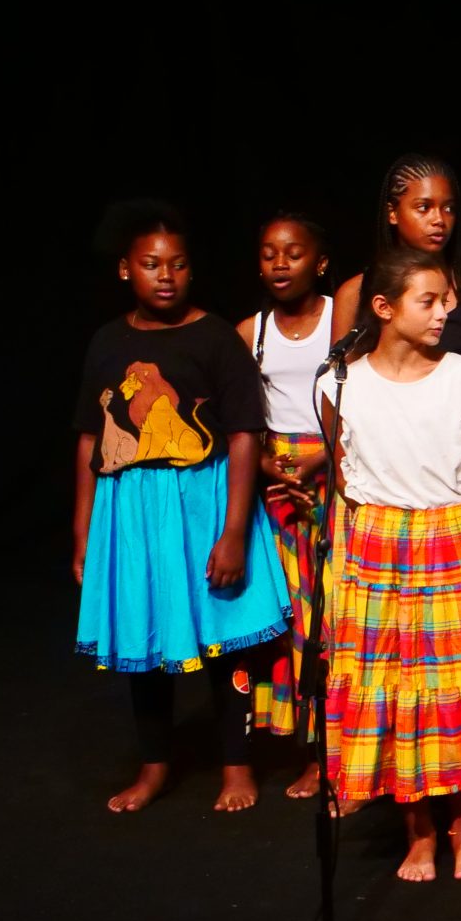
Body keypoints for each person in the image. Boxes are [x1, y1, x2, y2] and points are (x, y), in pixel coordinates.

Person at [322, 244, 461, 881]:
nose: (445, 312)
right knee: (392, 686)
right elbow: (342, 465)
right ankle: (417, 830)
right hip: (379, 547)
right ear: (384, 308)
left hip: (450, 540)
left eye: (447, 300)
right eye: (429, 301)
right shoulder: (342, 383)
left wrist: (451, 522)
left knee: (456, 687)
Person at [72, 201, 291, 814]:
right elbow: (89, 438)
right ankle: (154, 766)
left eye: (178, 264)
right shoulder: (107, 341)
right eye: (151, 264)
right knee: (142, 640)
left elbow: (244, 433)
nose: (165, 276)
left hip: (202, 503)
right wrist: (83, 532)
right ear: (126, 270)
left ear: (193, 270)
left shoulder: (215, 337)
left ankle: (237, 764)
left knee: (225, 638)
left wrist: (234, 531)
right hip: (131, 512)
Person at [237, 208, 332, 799]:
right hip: (277, 478)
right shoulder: (251, 332)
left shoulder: (341, 320)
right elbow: (240, 417)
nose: (280, 264)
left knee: (332, 610)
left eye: (293, 254)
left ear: (319, 263)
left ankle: (336, 747)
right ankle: (307, 745)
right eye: (270, 254)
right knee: (292, 614)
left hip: (335, 466)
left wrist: (321, 460)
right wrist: (273, 467)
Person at [332, 155, 461, 423]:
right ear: (393, 213)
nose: (439, 219)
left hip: (454, 442)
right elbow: (340, 392)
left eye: (448, 208)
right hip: (377, 442)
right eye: (424, 207)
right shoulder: (355, 293)